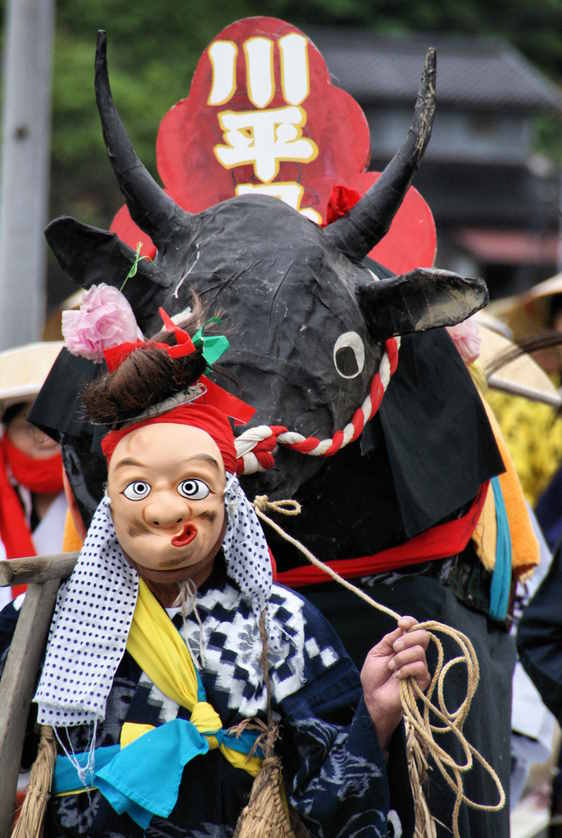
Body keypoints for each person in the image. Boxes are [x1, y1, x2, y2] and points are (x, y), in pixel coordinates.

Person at [3, 296, 430, 837]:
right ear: (109, 505)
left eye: (191, 486)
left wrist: (376, 711)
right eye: (138, 488)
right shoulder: (52, 617)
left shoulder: (282, 625)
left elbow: (331, 804)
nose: (164, 511)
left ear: (230, 501)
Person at [0, 341, 66, 609]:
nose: (43, 438)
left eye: (51, 423)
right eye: (28, 425)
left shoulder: (103, 488)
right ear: (6, 431)